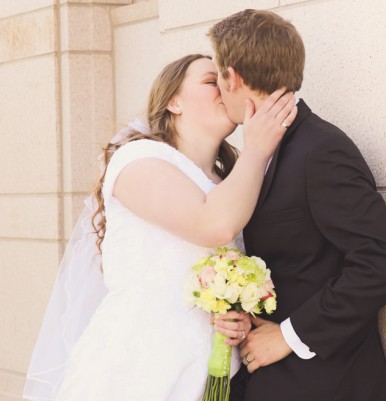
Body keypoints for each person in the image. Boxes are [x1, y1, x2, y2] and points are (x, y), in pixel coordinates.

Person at [23, 53, 298, 401]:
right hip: (135, 370)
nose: (226, 89)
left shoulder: (231, 180)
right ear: (174, 101)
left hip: (204, 373)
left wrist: (236, 318)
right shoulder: (137, 160)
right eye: (212, 81)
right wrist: (258, 149)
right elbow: (213, 226)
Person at [208, 10, 386, 401]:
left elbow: (384, 262)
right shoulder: (251, 155)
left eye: (217, 75)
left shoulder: (321, 150)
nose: (217, 88)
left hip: (327, 381)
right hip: (268, 378)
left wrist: (288, 335)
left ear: (234, 77)